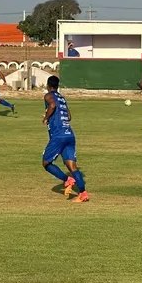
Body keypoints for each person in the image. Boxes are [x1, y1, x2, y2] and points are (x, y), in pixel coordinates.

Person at [41, 75, 88, 203]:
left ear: (48, 85)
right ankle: (83, 193)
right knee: (72, 166)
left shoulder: (48, 96)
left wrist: (46, 117)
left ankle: (67, 180)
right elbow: (69, 116)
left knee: (46, 163)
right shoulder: (62, 98)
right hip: (69, 134)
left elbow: (52, 105)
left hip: (58, 136)